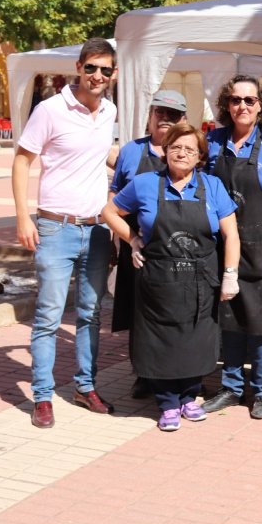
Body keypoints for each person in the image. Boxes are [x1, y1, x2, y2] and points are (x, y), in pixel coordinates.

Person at [101, 124, 241, 431]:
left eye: (190, 149)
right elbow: (108, 212)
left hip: (201, 281)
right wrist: (133, 240)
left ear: (200, 156)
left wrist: (230, 274)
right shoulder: (144, 183)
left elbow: (231, 234)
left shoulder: (213, 186)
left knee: (195, 339)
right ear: (165, 151)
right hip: (157, 280)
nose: (182, 153)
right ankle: (166, 403)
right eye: (176, 147)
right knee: (159, 341)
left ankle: (189, 397)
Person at [11, 38, 118, 428]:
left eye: (105, 69)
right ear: (79, 67)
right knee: (49, 317)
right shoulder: (50, 109)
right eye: (91, 68)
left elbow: (101, 153)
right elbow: (22, 161)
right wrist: (24, 217)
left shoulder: (109, 111)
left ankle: (84, 387)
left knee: (90, 315)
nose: (97, 75)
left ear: (113, 74)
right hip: (55, 228)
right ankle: (42, 396)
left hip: (97, 230)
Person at [200, 76, 262, 420]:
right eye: (236, 100)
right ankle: (231, 387)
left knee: (261, 323)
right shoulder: (212, 141)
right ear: (226, 104)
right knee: (230, 318)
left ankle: (261, 391)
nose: (243, 106)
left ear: (260, 106)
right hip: (223, 247)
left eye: (250, 101)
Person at [108, 90, 190, 399]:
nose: (165, 118)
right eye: (160, 112)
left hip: (178, 250)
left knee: (179, 314)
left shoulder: (189, 151)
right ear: (150, 115)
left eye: (173, 114)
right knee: (139, 316)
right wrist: (122, 241)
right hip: (138, 249)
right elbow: (113, 198)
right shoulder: (131, 151)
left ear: (183, 119)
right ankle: (143, 374)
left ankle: (184, 374)